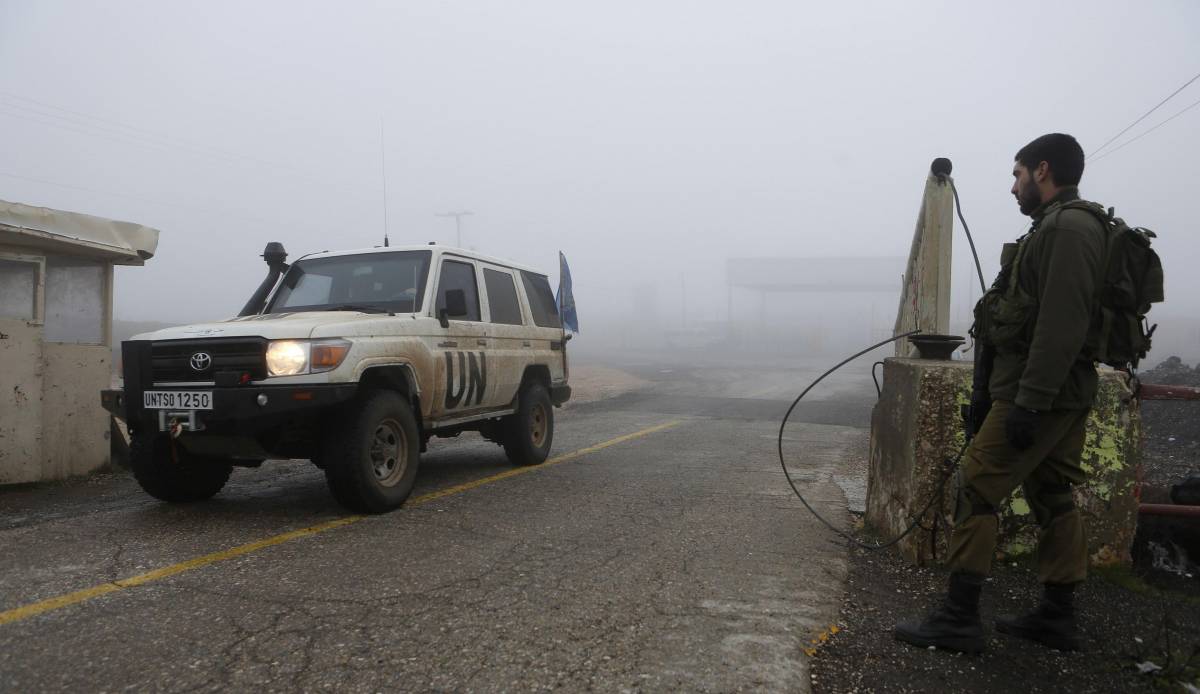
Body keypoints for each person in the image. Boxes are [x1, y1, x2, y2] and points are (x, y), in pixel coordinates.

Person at [895, 133, 1107, 654]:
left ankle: (959, 618)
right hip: (1048, 391)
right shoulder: (1057, 228)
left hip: (1040, 394)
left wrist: (1029, 402)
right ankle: (1058, 616)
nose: (1012, 187)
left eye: (1016, 175)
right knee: (1051, 492)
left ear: (1041, 170)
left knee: (977, 486)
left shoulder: (1069, 229)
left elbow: (1062, 325)